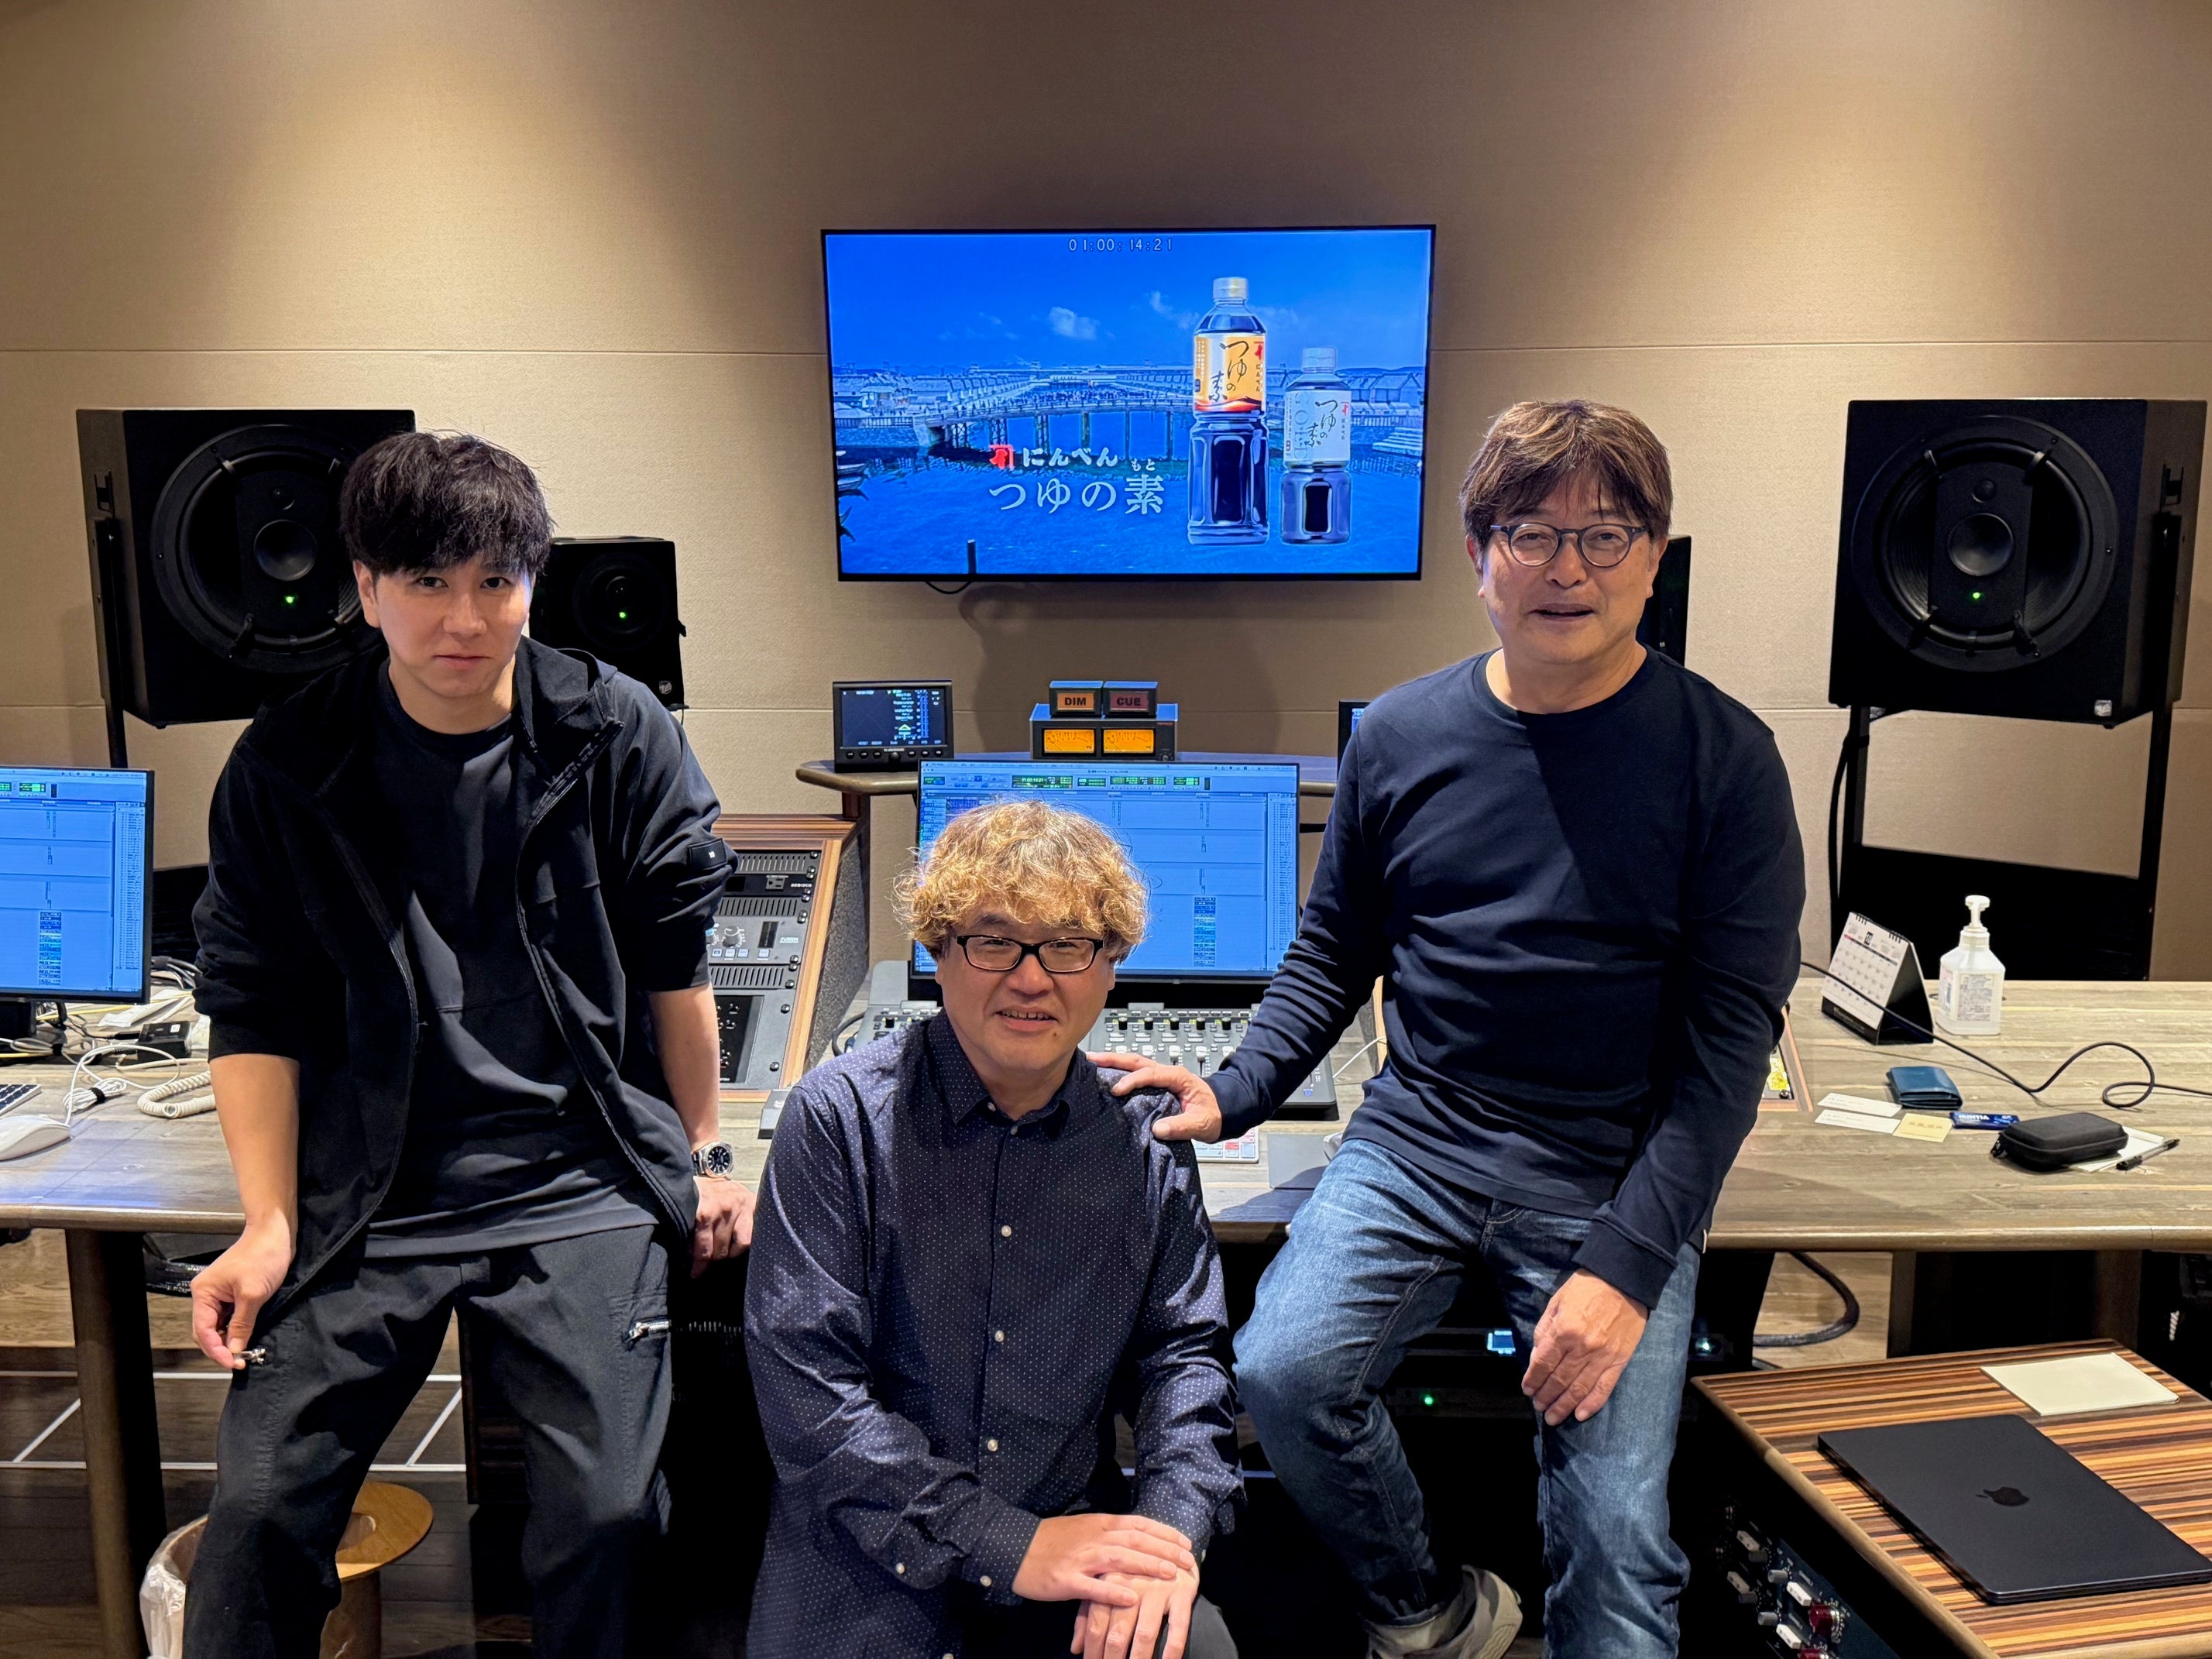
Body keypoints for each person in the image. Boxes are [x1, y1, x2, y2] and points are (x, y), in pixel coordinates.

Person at [1095, 400, 1806, 1658]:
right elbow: (1335, 949)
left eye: (1605, 534)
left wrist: (1623, 1270)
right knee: (1282, 1373)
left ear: (1653, 556)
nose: (1568, 567)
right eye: (1531, 533)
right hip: (1417, 1143)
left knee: (1616, 1535)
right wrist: (1237, 1087)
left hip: (1611, 1167)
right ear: (1479, 555)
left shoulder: (1727, 760)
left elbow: (1722, 1063)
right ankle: (1425, 1608)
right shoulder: (1401, 736)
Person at [182, 431, 750, 1659]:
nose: (465, 617)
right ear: (366, 583)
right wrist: (267, 1220)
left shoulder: (614, 729)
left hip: (577, 1174)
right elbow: (251, 1002)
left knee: (612, 1518)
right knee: (259, 1518)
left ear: (531, 582)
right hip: (369, 1191)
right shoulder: (289, 758)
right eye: (428, 581)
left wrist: (704, 1151)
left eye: (497, 580)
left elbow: (676, 965)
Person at [745, 799, 1242, 1659]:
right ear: (937, 951)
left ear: (1111, 966)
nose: (1031, 978)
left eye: (1068, 945)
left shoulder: (1146, 1138)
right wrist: (1009, 1545)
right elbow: (810, 1398)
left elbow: (1184, 1362)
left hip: (1074, 1553)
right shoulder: (837, 1118)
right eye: (994, 941)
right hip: (866, 1561)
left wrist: (1167, 1538)